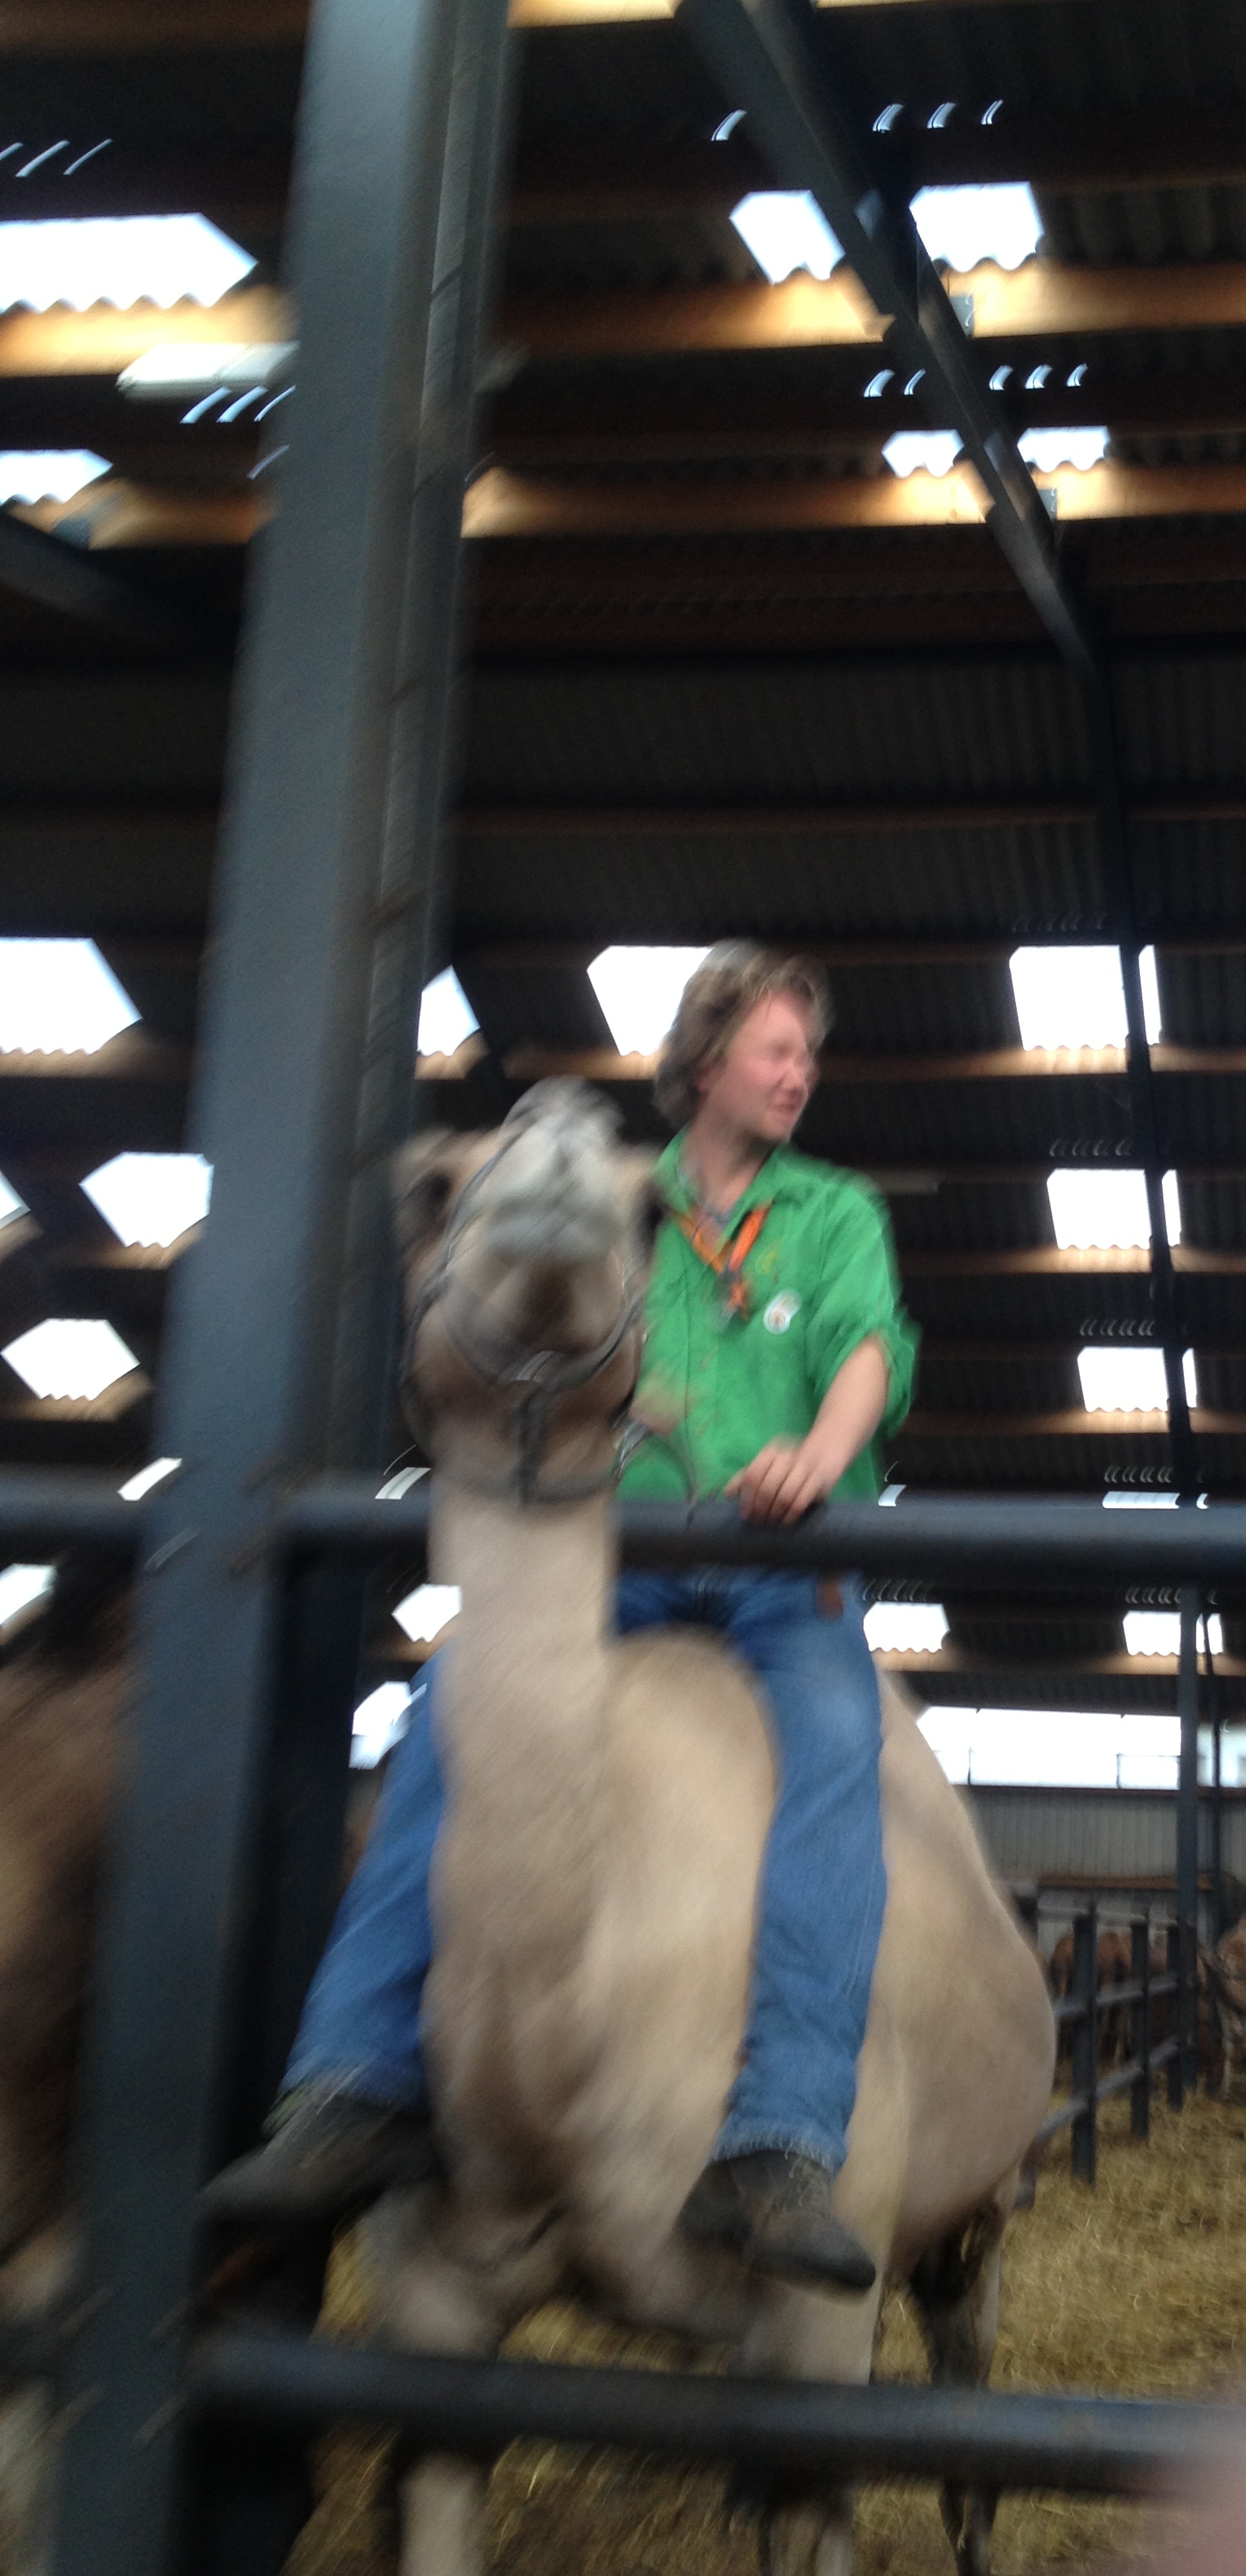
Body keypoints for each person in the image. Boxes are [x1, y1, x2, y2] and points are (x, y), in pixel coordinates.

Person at [207, 944, 917, 2294]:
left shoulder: (834, 1212)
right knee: (448, 1701)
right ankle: (353, 2081)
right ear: (706, 1062)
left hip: (786, 1563)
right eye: (778, 1050)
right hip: (620, 1551)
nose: (801, 1074)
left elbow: (867, 1351)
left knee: (839, 1748)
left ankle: (782, 2141)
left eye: (807, 1055)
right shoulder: (614, 1196)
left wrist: (819, 1458)